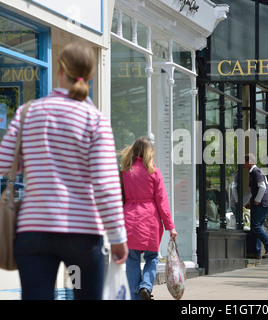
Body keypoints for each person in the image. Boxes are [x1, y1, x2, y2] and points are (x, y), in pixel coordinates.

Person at [0, 42, 128, 300]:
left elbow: (4, 163)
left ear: (59, 71)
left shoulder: (28, 113)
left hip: (33, 233)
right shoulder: (94, 120)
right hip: (80, 235)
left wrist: (35, 160)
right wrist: (117, 236)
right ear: (89, 77)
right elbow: (105, 184)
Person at [119, 136, 177, 300]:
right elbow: (162, 201)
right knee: (152, 257)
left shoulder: (125, 172)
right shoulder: (154, 172)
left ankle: (135, 295)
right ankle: (146, 285)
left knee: (132, 259)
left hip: (129, 218)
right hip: (150, 220)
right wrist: (170, 226)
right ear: (149, 153)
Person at [243, 154, 268, 259]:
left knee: (255, 226)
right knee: (257, 227)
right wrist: (243, 203)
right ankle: (257, 252)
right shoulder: (256, 172)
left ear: (249, 162)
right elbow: (250, 190)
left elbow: (262, 187)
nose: (242, 164)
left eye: (244, 161)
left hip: (262, 203)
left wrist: (257, 200)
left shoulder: (255, 172)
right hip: (265, 203)